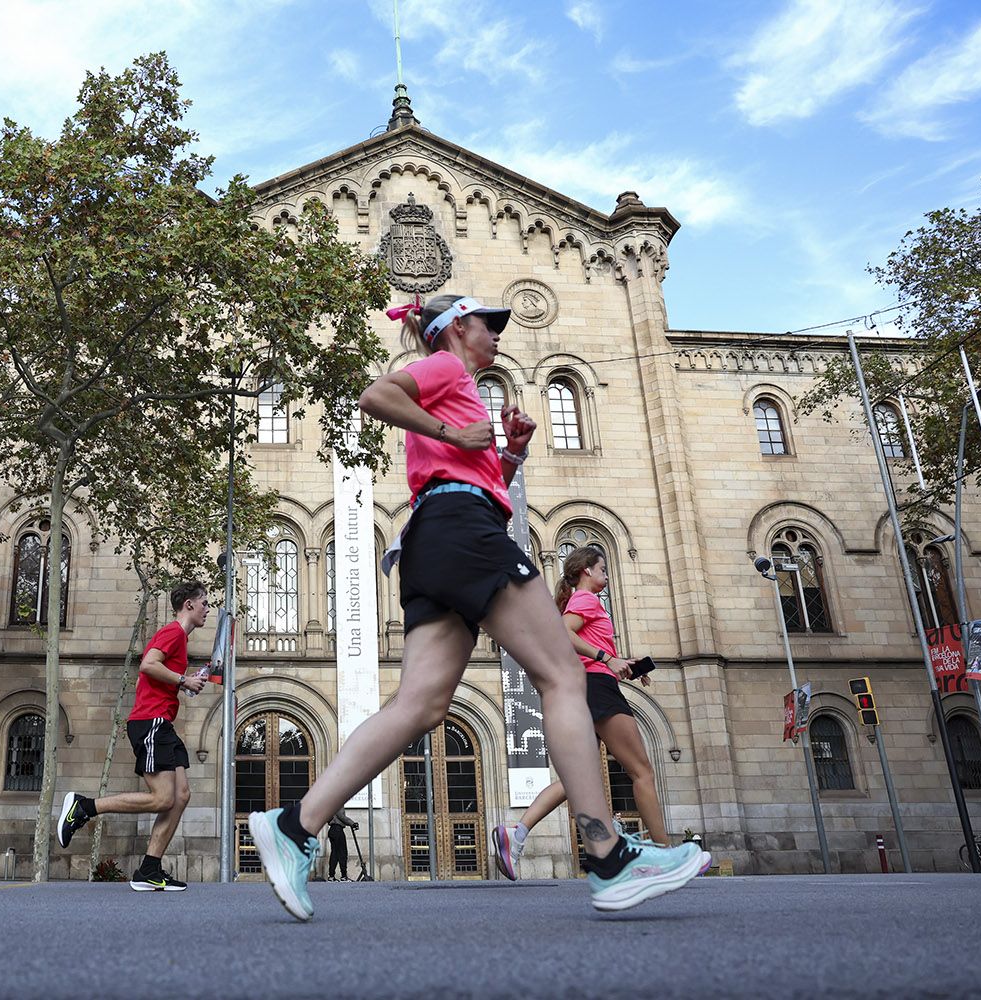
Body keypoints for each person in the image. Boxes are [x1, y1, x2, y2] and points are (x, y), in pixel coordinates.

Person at [247, 294, 705, 921]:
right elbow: (377, 396)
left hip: (436, 535)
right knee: (565, 675)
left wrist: (509, 453)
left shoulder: (456, 384)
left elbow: (476, 472)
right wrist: (452, 430)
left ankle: (297, 824)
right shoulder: (446, 368)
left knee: (420, 705)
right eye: (489, 326)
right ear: (458, 327)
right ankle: (608, 854)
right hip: (462, 529)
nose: (496, 337)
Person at [491, 546, 695, 879]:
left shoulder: (582, 601)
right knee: (641, 770)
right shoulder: (585, 600)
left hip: (588, 686)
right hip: (598, 688)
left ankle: (517, 832)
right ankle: (665, 856)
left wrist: (623, 663)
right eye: (602, 568)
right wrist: (605, 658)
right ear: (586, 570)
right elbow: (564, 632)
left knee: (575, 779)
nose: (606, 574)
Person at [56, 581, 209, 891]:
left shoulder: (180, 639)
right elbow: (148, 664)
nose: (208, 609)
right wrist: (182, 679)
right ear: (189, 605)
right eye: (205, 603)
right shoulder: (173, 632)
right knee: (163, 797)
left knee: (180, 796)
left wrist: (184, 682)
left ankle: (149, 870)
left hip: (162, 722)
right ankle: (84, 807)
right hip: (150, 721)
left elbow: (159, 672)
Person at [326, 808, 359, 881]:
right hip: (337, 830)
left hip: (332, 830)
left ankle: (331, 876)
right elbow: (341, 816)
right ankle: (343, 876)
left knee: (334, 853)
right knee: (342, 853)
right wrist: (352, 823)